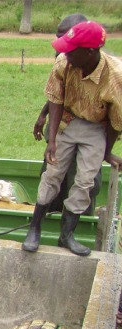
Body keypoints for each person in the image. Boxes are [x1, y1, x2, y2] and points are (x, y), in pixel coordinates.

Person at [22, 21, 122, 256]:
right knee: (53, 171)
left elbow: (116, 123)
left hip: (97, 127)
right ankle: (34, 228)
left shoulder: (116, 77)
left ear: (89, 52)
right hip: (68, 119)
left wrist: (106, 153)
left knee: (85, 181)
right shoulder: (63, 62)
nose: (65, 52)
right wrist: (53, 139)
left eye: (71, 48)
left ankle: (66, 235)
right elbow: (55, 99)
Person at [33, 13, 101, 216]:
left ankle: (79, 227)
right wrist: (44, 113)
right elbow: (58, 92)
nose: (60, 45)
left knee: (84, 182)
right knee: (52, 176)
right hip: (62, 126)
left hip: (89, 129)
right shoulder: (64, 57)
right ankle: (46, 221)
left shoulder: (98, 63)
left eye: (65, 37)